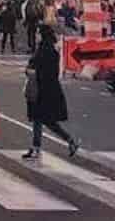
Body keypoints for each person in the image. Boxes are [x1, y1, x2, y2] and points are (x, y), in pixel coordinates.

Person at [22, 24, 79, 160]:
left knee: (40, 119)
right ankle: (69, 140)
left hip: (43, 90)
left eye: (37, 33)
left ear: (42, 34)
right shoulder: (49, 49)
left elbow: (41, 70)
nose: (36, 35)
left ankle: (37, 148)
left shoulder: (44, 50)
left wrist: (31, 71)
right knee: (45, 120)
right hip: (47, 89)